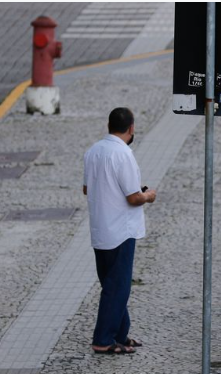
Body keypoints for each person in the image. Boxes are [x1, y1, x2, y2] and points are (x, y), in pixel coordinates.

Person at [83, 107, 156, 355]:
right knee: (118, 287)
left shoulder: (93, 151)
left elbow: (87, 188)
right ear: (131, 128)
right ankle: (103, 339)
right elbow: (133, 197)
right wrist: (148, 195)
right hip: (121, 230)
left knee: (111, 284)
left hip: (100, 228)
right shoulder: (122, 154)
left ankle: (120, 333)